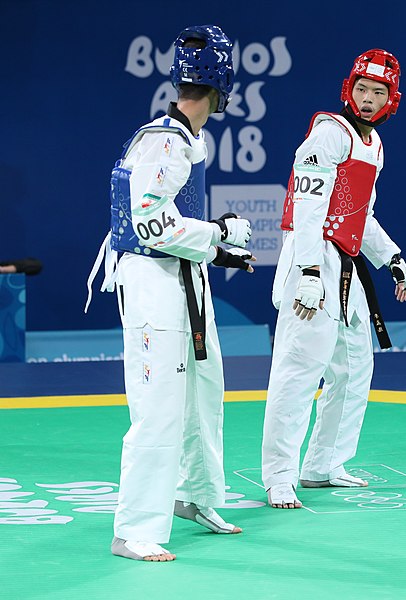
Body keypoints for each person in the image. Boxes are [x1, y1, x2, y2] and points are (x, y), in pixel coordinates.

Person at [91, 25, 255, 561]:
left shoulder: (185, 137)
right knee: (158, 404)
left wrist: (216, 247)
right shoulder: (166, 140)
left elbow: (168, 219)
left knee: (204, 395)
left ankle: (196, 494)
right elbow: (151, 227)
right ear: (223, 84)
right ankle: (134, 528)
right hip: (151, 281)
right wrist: (219, 235)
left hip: (184, 277)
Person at [262, 49, 406, 509]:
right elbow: (307, 208)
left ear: (391, 100)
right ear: (350, 89)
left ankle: (323, 464)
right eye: (363, 90)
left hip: (346, 261)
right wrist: (308, 272)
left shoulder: (374, 147)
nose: (368, 100)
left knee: (353, 365)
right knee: (300, 365)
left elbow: (359, 214)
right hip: (313, 256)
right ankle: (279, 475)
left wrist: (391, 257)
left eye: (378, 93)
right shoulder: (329, 133)